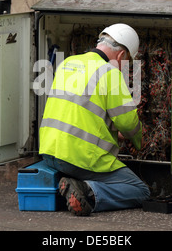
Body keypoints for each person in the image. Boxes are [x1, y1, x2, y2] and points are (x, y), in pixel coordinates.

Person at [39, 23, 150, 216]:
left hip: (49, 153)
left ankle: (75, 185)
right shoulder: (110, 73)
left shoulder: (67, 63)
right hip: (79, 160)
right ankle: (87, 191)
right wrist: (139, 141)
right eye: (128, 63)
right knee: (141, 190)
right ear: (122, 56)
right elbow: (127, 123)